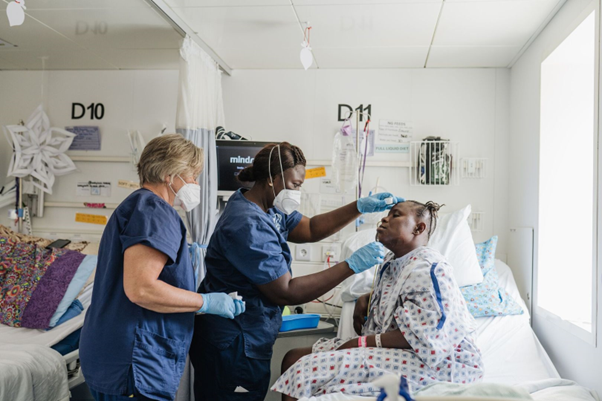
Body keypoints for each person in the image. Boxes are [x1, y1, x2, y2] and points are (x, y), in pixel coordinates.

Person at [190, 142, 402, 400]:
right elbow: (286, 292)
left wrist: (358, 206)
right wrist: (350, 266)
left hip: (246, 335)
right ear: (271, 179)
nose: (298, 192)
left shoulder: (269, 206)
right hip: (232, 341)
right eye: (295, 185)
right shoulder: (247, 223)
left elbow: (311, 228)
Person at [80, 134, 245, 401]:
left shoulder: (138, 206)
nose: (195, 183)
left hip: (115, 355)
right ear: (170, 174)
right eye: (193, 175)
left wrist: (196, 304)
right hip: (134, 361)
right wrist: (204, 302)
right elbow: (141, 289)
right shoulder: (154, 211)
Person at [272, 201, 484, 400]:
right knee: (293, 359)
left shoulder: (429, 267)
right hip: (400, 352)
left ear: (418, 229)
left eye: (396, 215)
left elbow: (425, 335)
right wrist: (368, 297)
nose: (384, 219)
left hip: (440, 363)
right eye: (386, 214)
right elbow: (403, 296)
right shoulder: (393, 263)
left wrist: (360, 343)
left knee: (303, 370)